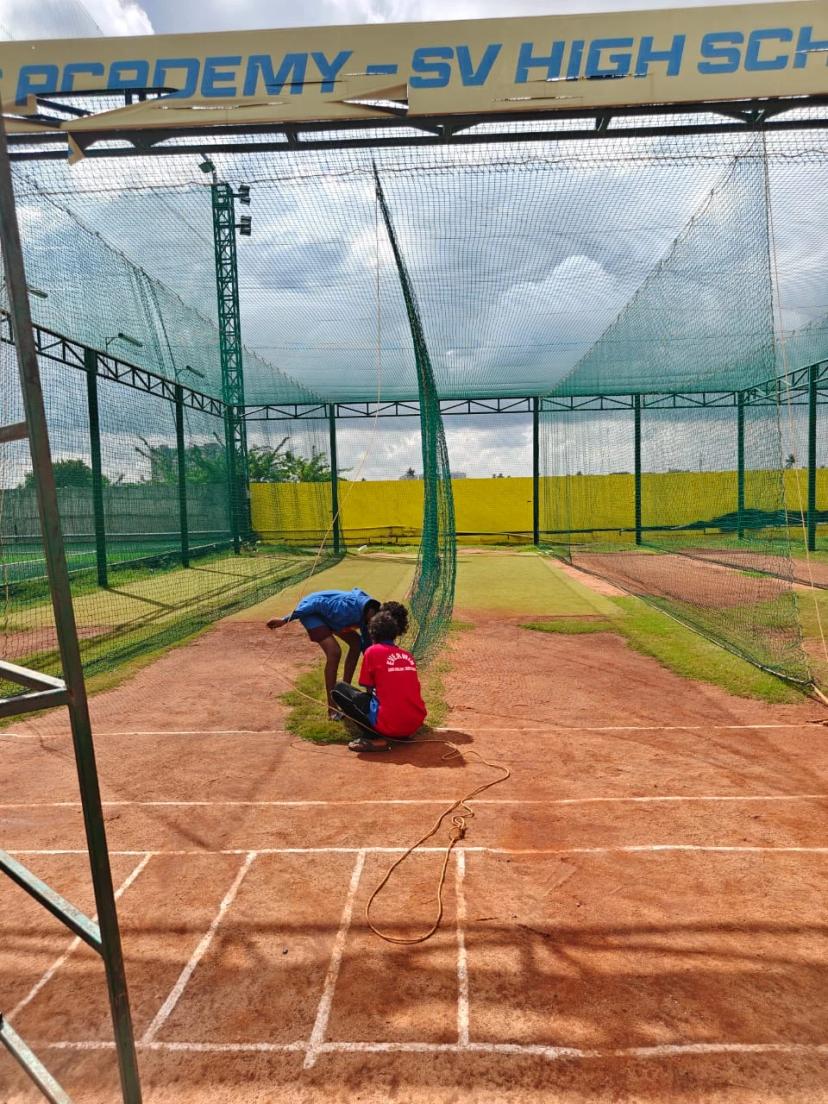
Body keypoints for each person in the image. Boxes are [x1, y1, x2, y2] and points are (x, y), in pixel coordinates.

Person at [267, 588, 380, 719]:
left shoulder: (370, 614)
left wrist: (373, 672)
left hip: (332, 618)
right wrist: (285, 619)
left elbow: (367, 646)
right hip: (312, 612)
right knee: (334, 652)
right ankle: (332, 708)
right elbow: (316, 603)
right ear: (367, 615)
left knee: (356, 643)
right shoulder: (346, 608)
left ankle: (344, 695)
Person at [331, 601, 427, 752]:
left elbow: (368, 690)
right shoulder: (407, 655)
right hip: (413, 724)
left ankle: (374, 737)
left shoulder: (372, 651)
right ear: (395, 633)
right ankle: (397, 729)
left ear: (372, 633)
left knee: (339, 688)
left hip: (390, 726)